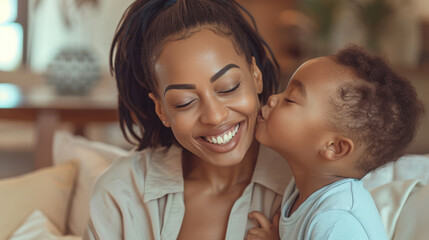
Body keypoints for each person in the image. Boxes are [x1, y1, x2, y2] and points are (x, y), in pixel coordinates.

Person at [83, 0, 293, 239]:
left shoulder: (302, 185)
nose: (215, 116)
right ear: (161, 110)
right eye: (185, 102)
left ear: (256, 76)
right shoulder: (121, 194)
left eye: (228, 87)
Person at [246, 46, 425, 240]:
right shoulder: (304, 188)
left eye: (289, 99)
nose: (272, 99)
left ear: (334, 147)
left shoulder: (336, 221)